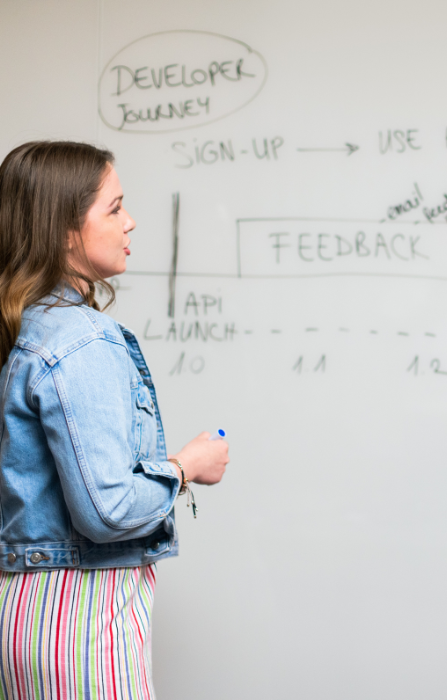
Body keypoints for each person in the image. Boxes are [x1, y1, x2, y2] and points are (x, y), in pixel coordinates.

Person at [0, 141, 229, 698]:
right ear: (63, 231)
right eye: (114, 207)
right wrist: (184, 466)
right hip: (78, 616)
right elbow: (107, 510)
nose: (131, 222)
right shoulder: (81, 338)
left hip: (25, 610)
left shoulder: (26, 327)